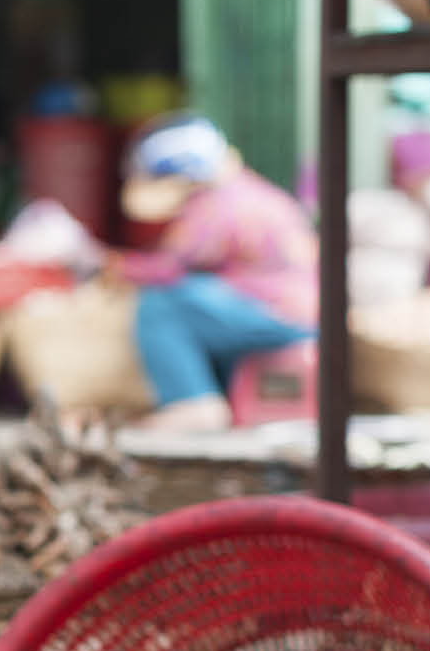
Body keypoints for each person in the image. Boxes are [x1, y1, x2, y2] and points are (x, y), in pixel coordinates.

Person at [113, 113, 317, 432]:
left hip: (281, 316)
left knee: (162, 303)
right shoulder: (251, 191)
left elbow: (169, 269)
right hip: (296, 315)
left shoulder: (219, 203)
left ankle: (191, 402)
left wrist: (106, 264)